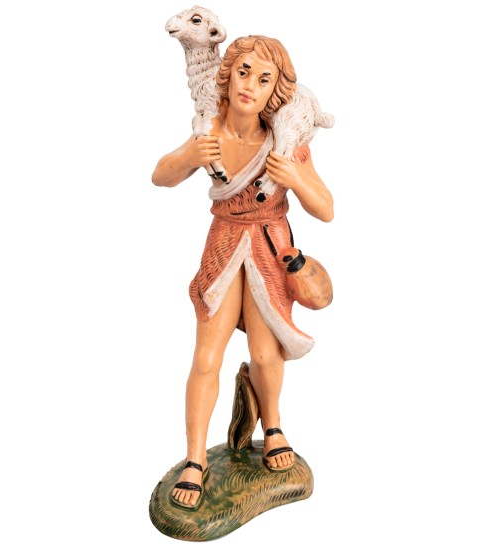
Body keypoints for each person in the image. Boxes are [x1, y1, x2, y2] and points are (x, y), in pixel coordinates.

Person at [152, 35, 334, 510]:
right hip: (224, 243)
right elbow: (161, 175)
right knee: (206, 356)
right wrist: (190, 157)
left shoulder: (285, 142)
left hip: (270, 247)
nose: (251, 85)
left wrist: (296, 179)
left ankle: (272, 428)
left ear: (276, 91)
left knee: (265, 351)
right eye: (244, 72)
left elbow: (326, 208)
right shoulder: (209, 131)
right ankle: (195, 458)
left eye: (264, 79)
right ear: (227, 75)